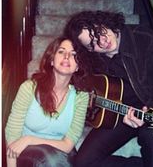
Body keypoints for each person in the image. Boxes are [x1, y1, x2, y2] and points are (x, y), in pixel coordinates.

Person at [64, 11, 153, 167]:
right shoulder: (95, 60)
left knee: (151, 138)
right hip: (119, 113)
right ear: (89, 50)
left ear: (103, 21)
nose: (102, 42)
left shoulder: (145, 39)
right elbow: (82, 86)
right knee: (84, 162)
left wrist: (148, 112)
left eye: (98, 32)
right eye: (93, 43)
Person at [5, 36, 90, 167]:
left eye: (74, 54)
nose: (67, 56)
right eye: (61, 51)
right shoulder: (29, 88)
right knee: (51, 161)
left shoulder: (81, 96)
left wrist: (30, 139)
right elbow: (12, 135)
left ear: (78, 66)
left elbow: (68, 145)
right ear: (51, 60)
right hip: (28, 152)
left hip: (60, 150)